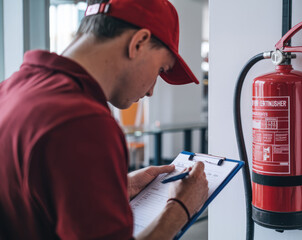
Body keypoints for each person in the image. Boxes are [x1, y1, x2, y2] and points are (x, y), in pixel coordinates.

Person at [0, 0, 209, 239]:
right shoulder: (83, 122)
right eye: (161, 69)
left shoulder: (12, 88)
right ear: (138, 43)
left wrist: (115, 188)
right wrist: (179, 209)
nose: (152, 90)